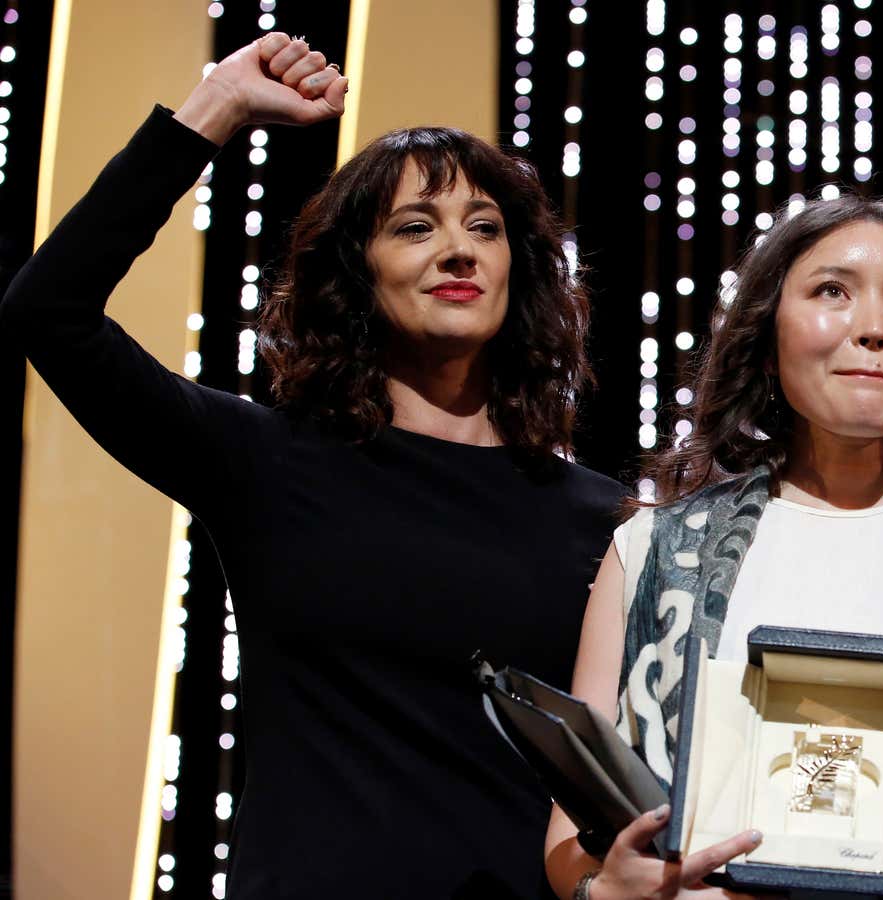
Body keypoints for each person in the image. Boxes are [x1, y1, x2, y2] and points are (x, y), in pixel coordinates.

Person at [1, 34, 624, 898]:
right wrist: (213, 107)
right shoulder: (264, 459)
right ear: (356, 277)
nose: (459, 250)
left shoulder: (609, 521)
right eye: (416, 227)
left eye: (484, 227)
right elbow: (48, 309)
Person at [542, 197, 883, 900]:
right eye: (832, 292)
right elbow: (567, 840)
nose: (874, 329)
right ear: (768, 337)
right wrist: (610, 891)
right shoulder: (653, 551)